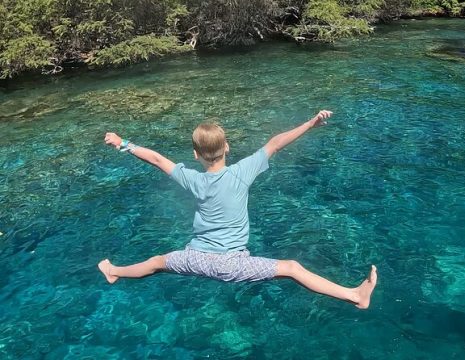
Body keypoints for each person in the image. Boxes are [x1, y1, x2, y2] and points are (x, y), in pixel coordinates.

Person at [98, 110, 377, 309]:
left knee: (157, 263)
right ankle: (354, 295)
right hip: (232, 264)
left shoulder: (193, 179)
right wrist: (311, 122)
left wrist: (123, 143)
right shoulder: (243, 172)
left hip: (195, 258)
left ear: (195, 154)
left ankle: (114, 271)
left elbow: (157, 159)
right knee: (292, 268)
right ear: (227, 148)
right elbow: (276, 143)